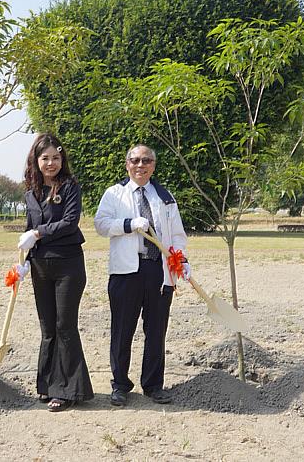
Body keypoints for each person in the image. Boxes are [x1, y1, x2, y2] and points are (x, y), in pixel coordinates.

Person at [94, 144, 189, 407]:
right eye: (134, 160)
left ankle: (153, 384)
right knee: (122, 330)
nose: (140, 165)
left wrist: (182, 260)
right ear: (127, 164)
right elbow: (101, 225)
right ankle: (120, 384)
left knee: (156, 330)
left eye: (146, 160)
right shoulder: (114, 194)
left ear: (153, 165)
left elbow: (177, 235)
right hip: (126, 272)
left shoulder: (165, 197)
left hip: (157, 271)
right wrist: (128, 225)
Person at [17, 133, 94, 412]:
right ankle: (48, 385)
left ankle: (68, 390)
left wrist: (37, 233)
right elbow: (29, 228)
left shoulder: (70, 186)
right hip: (40, 267)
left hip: (68, 265)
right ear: (36, 161)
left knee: (65, 326)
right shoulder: (31, 192)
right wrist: (24, 262)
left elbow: (70, 222)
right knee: (47, 328)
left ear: (63, 160)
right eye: (45, 158)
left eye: (56, 157)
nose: (51, 163)